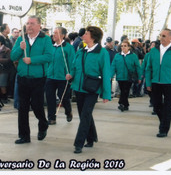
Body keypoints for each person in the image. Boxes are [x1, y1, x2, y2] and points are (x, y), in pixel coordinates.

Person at [66, 26, 111, 154]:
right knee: (84, 115)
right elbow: (74, 67)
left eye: (86, 33)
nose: (83, 35)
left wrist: (106, 94)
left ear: (93, 37)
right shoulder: (81, 51)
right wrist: (70, 74)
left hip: (92, 89)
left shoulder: (102, 53)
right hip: (78, 88)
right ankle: (91, 138)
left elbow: (106, 73)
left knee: (85, 114)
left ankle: (78, 143)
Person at [10, 16, 52, 144]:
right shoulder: (21, 39)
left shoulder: (45, 39)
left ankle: (43, 124)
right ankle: (24, 136)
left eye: (32, 23)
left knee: (37, 105)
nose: (29, 26)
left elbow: (49, 56)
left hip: (38, 78)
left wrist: (32, 60)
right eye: (27, 23)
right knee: (22, 108)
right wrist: (20, 48)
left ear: (39, 25)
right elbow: (13, 56)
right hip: (23, 77)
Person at [146, 29, 171, 138]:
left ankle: (163, 129)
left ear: (170, 38)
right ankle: (164, 122)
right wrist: (148, 82)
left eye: (164, 36)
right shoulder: (154, 51)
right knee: (156, 104)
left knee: (168, 107)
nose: (161, 38)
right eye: (160, 35)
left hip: (170, 83)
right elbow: (148, 68)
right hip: (155, 82)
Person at [45, 27, 75, 125]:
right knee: (50, 97)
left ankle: (68, 111)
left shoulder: (68, 48)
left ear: (62, 35)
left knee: (63, 97)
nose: (53, 35)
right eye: (53, 33)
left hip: (63, 77)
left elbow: (72, 62)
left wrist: (70, 73)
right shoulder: (51, 46)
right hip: (50, 76)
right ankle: (51, 118)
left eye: (56, 33)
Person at [111, 41, 142, 112]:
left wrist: (140, 77)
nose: (123, 47)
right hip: (120, 77)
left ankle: (121, 103)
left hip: (129, 77)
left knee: (125, 90)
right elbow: (113, 66)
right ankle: (126, 104)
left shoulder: (133, 56)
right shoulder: (117, 56)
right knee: (123, 91)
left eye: (125, 46)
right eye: (122, 46)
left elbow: (138, 67)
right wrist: (110, 76)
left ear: (129, 47)